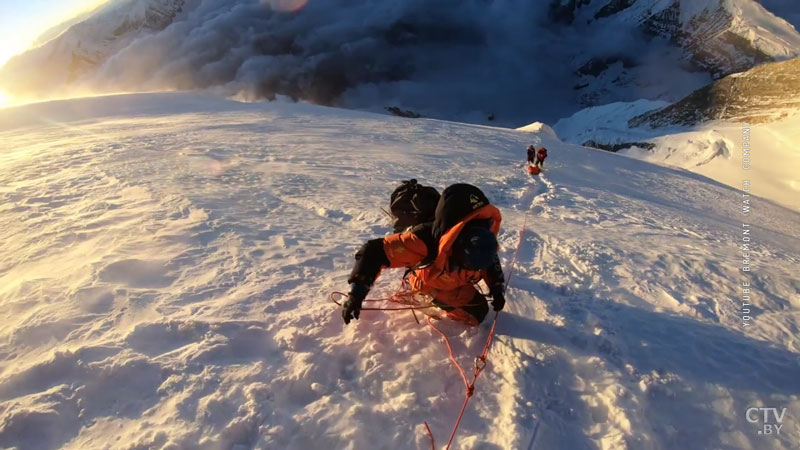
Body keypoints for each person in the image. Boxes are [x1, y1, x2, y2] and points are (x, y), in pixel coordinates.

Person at [342, 184, 506, 326]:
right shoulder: (424, 241)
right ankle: (426, 295)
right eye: (470, 265)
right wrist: (356, 294)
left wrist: (496, 287)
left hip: (453, 279)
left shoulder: (482, 237)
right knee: (476, 315)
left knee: (481, 311)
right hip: (430, 282)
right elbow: (373, 251)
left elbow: (489, 259)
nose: (476, 269)